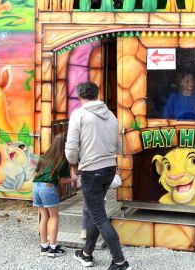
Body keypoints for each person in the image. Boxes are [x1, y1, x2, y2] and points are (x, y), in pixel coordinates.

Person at [65, 82, 131, 270]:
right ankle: (86, 254)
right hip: (109, 168)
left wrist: (74, 166)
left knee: (100, 217)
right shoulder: (110, 114)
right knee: (97, 212)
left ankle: (120, 261)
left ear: (80, 96)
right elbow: (119, 145)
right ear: (97, 94)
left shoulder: (79, 115)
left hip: (91, 171)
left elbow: (71, 150)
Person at [32, 132, 75, 257]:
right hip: (48, 188)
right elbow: (61, 180)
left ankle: (44, 246)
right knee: (54, 217)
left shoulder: (44, 157)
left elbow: (36, 175)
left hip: (36, 187)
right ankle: (53, 248)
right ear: (64, 145)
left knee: (44, 217)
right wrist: (74, 179)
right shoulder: (63, 159)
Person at [80, 172, 122, 239]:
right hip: (100, 196)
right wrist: (116, 175)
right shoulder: (104, 170)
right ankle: (96, 233)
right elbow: (114, 183)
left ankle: (84, 231)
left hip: (88, 193)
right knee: (99, 216)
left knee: (86, 212)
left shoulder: (89, 169)